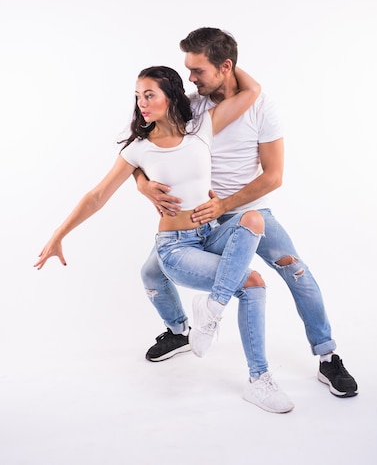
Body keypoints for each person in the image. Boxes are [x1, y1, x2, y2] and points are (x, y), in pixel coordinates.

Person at [34, 64, 294, 414]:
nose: (141, 102)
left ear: (172, 96)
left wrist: (223, 58)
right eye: (138, 96)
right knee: (253, 282)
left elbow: (251, 92)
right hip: (176, 247)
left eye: (149, 94)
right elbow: (97, 196)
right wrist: (58, 234)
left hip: (209, 233)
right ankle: (258, 379)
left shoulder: (202, 128)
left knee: (252, 217)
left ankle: (211, 308)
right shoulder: (138, 150)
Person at [137, 28, 358, 399]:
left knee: (296, 271)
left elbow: (274, 176)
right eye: (188, 70)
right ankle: (179, 331)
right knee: (150, 273)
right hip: (197, 219)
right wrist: (144, 186)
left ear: (226, 67)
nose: (190, 78)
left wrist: (224, 205)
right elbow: (144, 149)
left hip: (247, 211)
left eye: (198, 70)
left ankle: (328, 356)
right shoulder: (192, 106)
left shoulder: (262, 107)